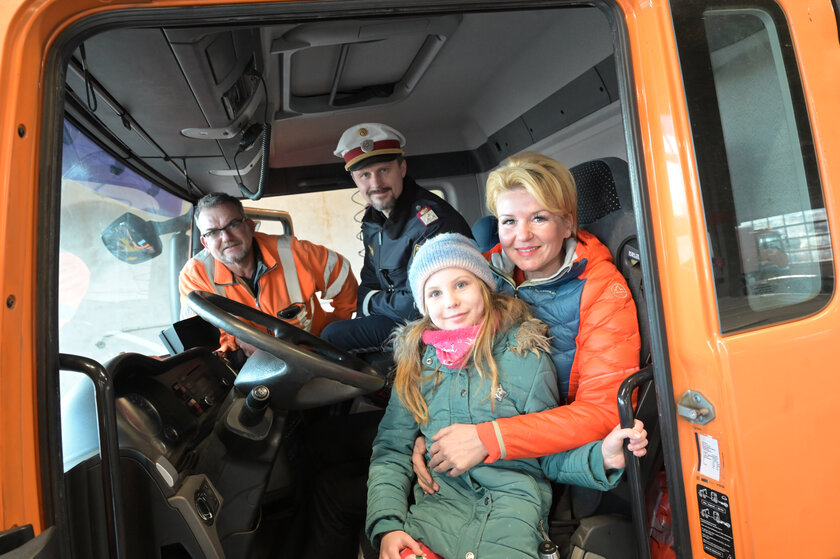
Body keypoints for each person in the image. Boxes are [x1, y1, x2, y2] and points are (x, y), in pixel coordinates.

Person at [367, 233, 648, 559]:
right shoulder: (416, 363)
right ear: (424, 305)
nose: (451, 301)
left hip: (510, 522)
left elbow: (547, 455)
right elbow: (390, 451)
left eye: (461, 284)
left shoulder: (524, 354)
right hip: (434, 516)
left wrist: (601, 457)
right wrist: (388, 525)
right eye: (435, 293)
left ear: (484, 286)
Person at [414, 152, 641, 493]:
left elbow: (602, 411)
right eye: (508, 222)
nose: (522, 236)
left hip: (552, 449)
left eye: (538, 218)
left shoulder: (602, 290)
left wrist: (489, 438)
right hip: (477, 424)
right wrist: (430, 432)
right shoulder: (482, 275)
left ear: (567, 224)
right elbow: (444, 357)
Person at [321, 122, 474, 355]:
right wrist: (368, 307)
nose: (376, 184)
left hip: (428, 323)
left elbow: (423, 302)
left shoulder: (433, 222)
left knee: (333, 336)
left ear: (402, 169)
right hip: (395, 316)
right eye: (365, 175)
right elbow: (370, 279)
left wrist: (370, 303)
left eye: (384, 170)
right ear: (355, 179)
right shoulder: (373, 220)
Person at [178, 192, 358, 354]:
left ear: (249, 226)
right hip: (249, 365)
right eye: (213, 232)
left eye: (232, 224)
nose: (226, 237)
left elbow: (342, 278)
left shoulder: (296, 253)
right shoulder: (194, 276)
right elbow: (201, 337)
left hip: (312, 358)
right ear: (205, 243)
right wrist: (237, 342)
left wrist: (330, 337)